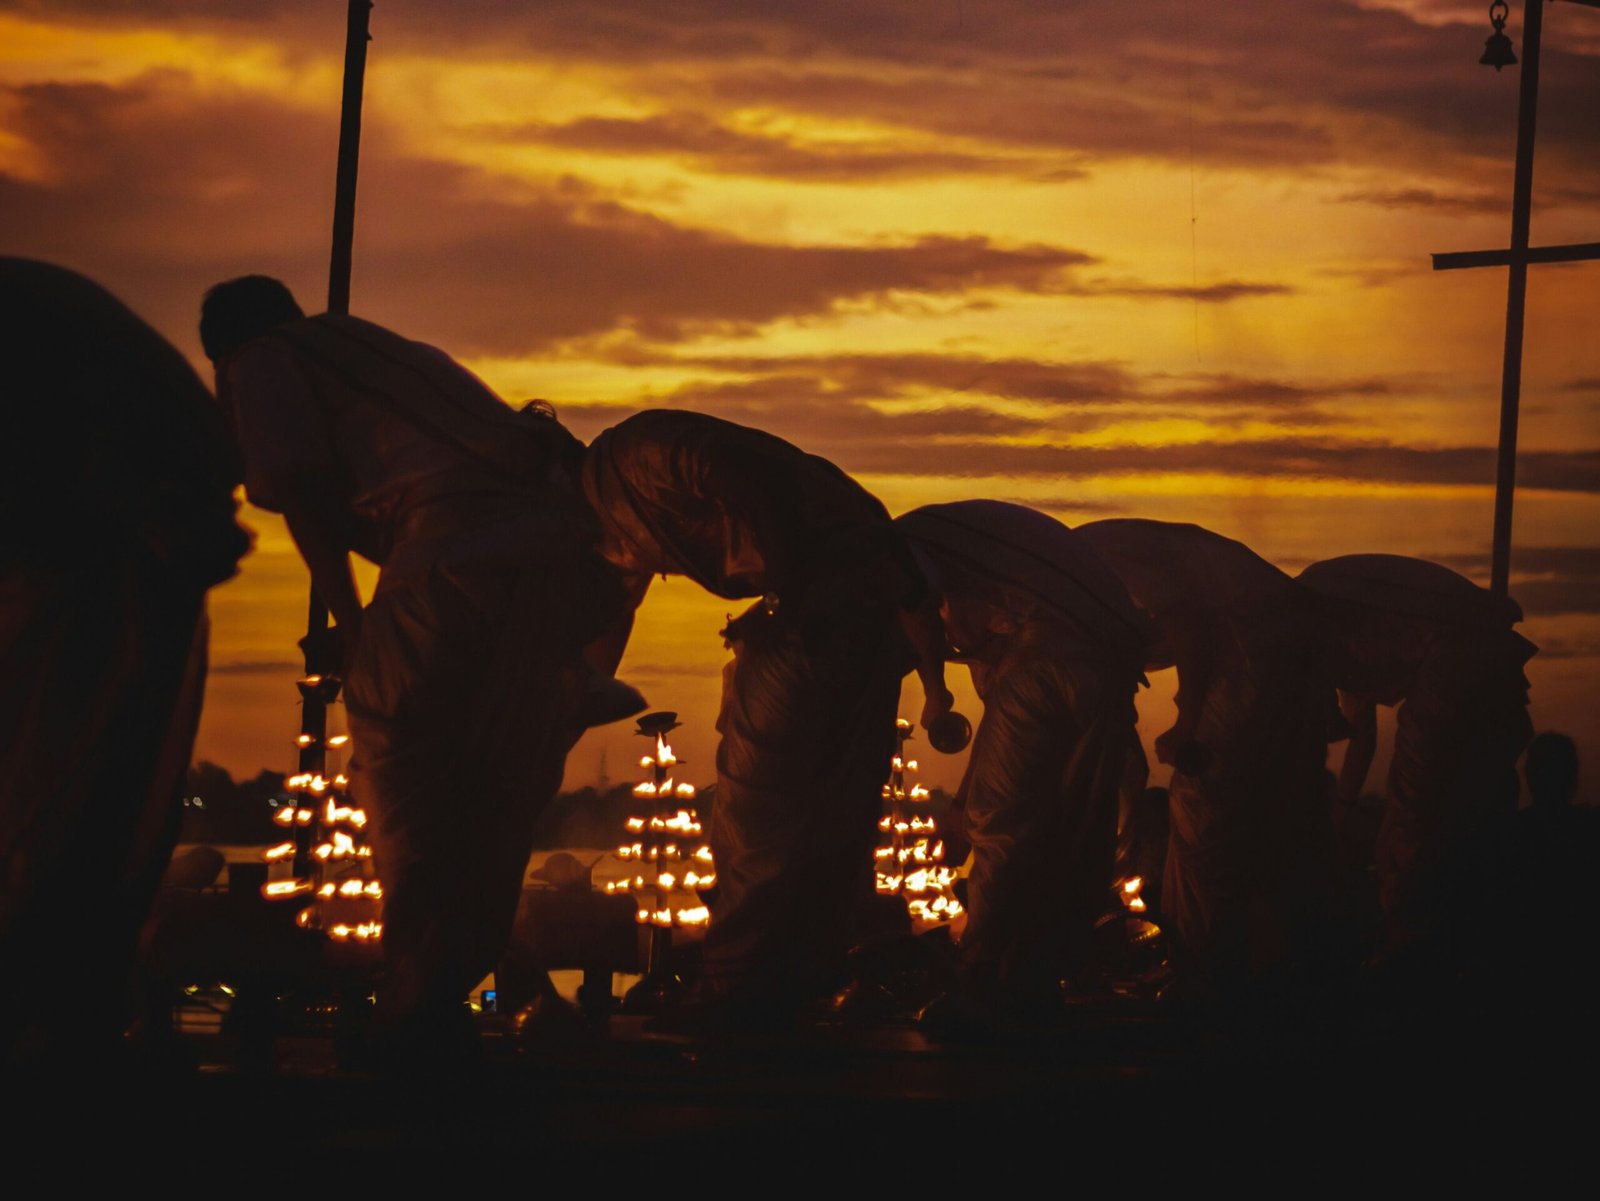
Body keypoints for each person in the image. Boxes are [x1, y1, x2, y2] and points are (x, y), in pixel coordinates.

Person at [200, 276, 635, 1061]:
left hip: (454, 554)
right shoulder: (386, 356)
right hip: (551, 562)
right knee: (492, 786)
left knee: (402, 762)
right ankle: (437, 990)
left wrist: (358, 623)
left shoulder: (259, 361)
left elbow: (300, 487)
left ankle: (415, 999)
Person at [580, 409, 927, 1024]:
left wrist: (786, 598)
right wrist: (580, 699)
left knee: (756, 809)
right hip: (862, 607)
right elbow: (611, 608)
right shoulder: (612, 517)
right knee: (829, 811)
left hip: (821, 610)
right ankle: (801, 977)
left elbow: (745, 476)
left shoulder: (633, 455)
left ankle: (738, 984)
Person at [1, 258, 249, 1065]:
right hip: (133, 534)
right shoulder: (54, 306)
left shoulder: (37, 329)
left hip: (105, 537)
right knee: (99, 781)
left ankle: (54, 1004)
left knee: (69, 779)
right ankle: (71, 1002)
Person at [895, 501, 1148, 1027]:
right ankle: (1034, 973)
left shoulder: (904, 552)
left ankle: (987, 980)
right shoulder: (981, 554)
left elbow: (915, 608)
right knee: (1069, 826)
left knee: (1002, 825)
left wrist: (935, 691)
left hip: (1043, 664)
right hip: (1098, 675)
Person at [1074, 519, 1331, 992]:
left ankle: (1204, 973)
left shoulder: (1091, 563)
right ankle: (1261, 965)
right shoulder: (1090, 562)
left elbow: (1184, 622)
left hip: (1255, 648)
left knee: (1203, 807)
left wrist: (1189, 724)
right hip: (1281, 646)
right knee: (1263, 817)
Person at [1297, 554, 1536, 964]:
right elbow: (1361, 739)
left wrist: (1341, 817)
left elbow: (1362, 740)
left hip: (1456, 675)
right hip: (1491, 677)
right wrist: (1342, 812)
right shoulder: (1330, 619)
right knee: (1469, 804)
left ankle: (1412, 941)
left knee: (1416, 817)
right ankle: (1457, 927)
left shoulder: (1313, 626)